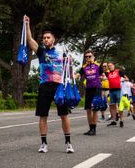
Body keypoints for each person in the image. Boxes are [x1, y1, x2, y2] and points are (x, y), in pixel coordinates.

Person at [24, 15, 74, 153]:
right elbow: (29, 40)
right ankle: (44, 144)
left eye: (48, 37)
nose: (46, 39)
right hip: (45, 86)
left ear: (53, 39)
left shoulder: (62, 52)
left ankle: (68, 143)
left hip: (59, 86)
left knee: (64, 115)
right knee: (43, 115)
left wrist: (70, 82)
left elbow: (69, 68)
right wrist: (27, 24)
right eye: (44, 38)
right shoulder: (41, 52)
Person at [76, 49, 103, 136]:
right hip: (88, 89)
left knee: (95, 109)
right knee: (88, 109)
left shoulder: (98, 66)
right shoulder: (84, 67)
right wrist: (73, 76)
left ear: (93, 57)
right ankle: (90, 128)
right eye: (86, 57)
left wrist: (103, 78)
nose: (88, 58)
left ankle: (94, 129)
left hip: (96, 88)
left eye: (89, 56)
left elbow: (103, 75)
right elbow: (78, 74)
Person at [104, 62, 125, 126]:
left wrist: (122, 80)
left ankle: (121, 120)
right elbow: (103, 75)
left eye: (110, 65)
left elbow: (125, 77)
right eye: (108, 66)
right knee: (112, 106)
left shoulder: (118, 71)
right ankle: (113, 121)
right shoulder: (107, 73)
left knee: (119, 105)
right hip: (111, 90)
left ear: (113, 66)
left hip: (118, 90)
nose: (109, 67)